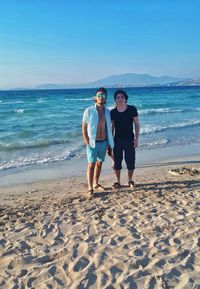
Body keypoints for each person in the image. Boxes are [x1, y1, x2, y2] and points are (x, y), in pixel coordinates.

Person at [82, 87, 114, 197]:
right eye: (99, 96)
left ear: (106, 98)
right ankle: (90, 188)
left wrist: (110, 140)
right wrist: (86, 141)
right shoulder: (89, 110)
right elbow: (84, 127)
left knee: (99, 163)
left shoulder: (108, 112)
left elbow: (111, 126)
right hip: (92, 142)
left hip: (104, 141)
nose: (101, 97)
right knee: (91, 164)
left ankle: (96, 184)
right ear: (96, 97)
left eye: (103, 96)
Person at [111, 89, 140, 188]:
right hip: (117, 141)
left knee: (130, 161)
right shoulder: (113, 112)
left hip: (130, 140)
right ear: (115, 100)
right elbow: (112, 127)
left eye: (122, 97)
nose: (120, 99)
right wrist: (110, 141)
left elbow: (136, 125)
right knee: (117, 162)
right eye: (118, 97)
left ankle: (130, 180)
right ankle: (118, 181)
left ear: (125, 99)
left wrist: (136, 139)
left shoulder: (132, 109)